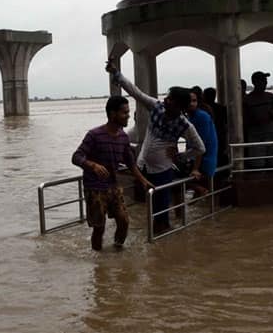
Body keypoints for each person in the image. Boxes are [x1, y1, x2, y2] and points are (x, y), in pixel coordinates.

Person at [105, 61, 205, 233]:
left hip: (162, 170)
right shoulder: (156, 107)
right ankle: (159, 237)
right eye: (166, 97)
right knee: (150, 207)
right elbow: (136, 93)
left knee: (161, 210)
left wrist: (180, 156)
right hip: (143, 165)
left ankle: (163, 243)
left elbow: (200, 148)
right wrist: (117, 74)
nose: (165, 100)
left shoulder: (184, 125)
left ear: (179, 106)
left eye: (170, 99)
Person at [72, 94, 151, 251]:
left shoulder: (123, 137)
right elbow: (76, 157)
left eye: (128, 112)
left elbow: (130, 163)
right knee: (99, 228)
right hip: (94, 188)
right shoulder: (94, 135)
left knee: (124, 221)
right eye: (124, 112)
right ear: (112, 114)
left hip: (113, 186)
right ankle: (98, 258)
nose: (128, 115)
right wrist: (92, 165)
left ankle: (117, 249)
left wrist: (142, 180)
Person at [243, 71, 273, 169]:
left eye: (265, 81)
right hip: (255, 136)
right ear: (255, 82)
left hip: (271, 134)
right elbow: (244, 119)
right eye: (262, 80)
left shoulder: (271, 97)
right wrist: (256, 119)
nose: (265, 83)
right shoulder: (247, 99)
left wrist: (272, 115)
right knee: (257, 165)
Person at [187, 89, 219, 197]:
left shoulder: (202, 116)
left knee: (172, 177)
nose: (192, 104)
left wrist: (195, 168)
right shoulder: (189, 117)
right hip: (196, 159)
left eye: (194, 101)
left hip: (204, 162)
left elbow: (201, 145)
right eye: (189, 101)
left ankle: (199, 189)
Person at [202, 87, 229, 167]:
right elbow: (226, 123)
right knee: (219, 155)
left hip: (208, 136)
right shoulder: (221, 108)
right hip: (219, 135)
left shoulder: (203, 109)